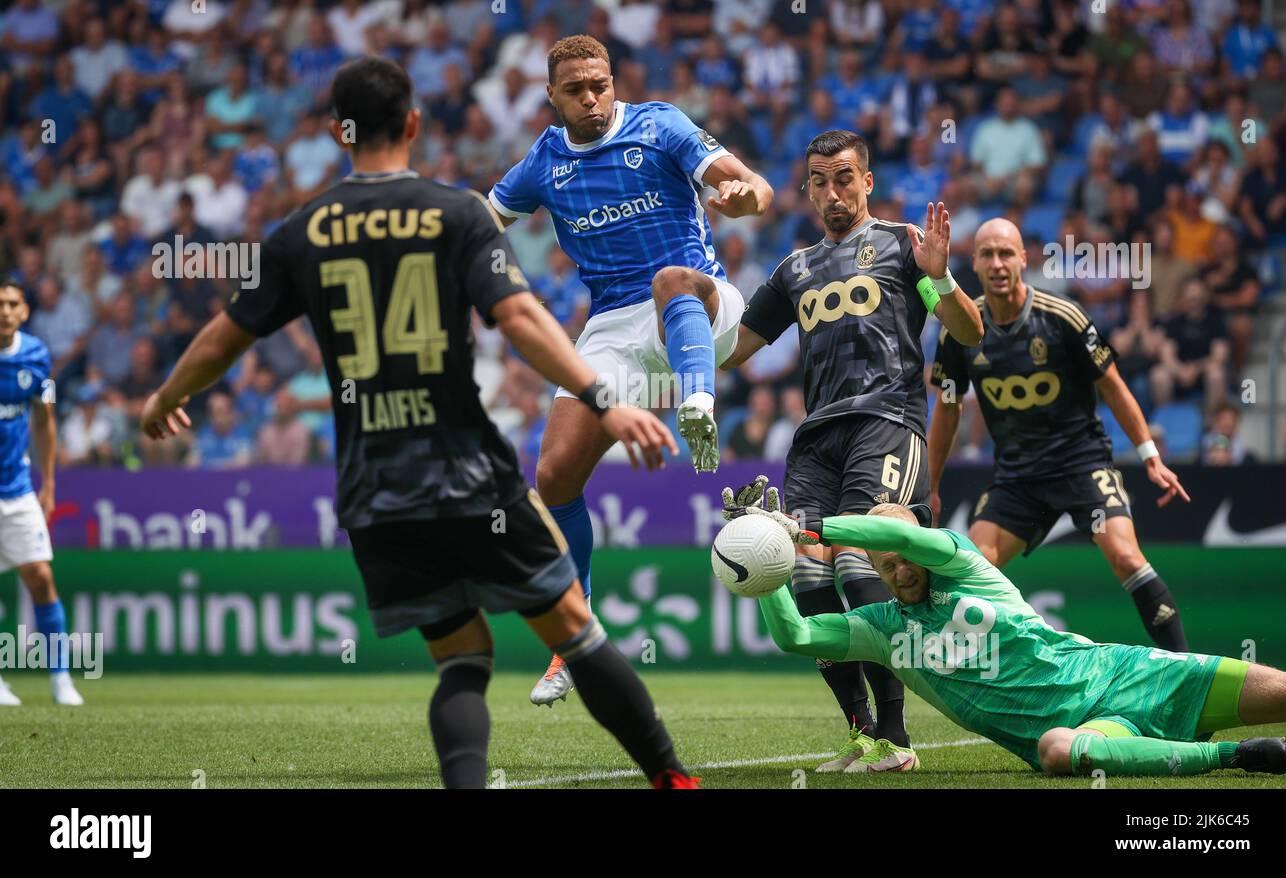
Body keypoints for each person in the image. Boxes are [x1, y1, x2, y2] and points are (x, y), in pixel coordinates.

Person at [141, 57, 696, 789]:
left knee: (462, 661)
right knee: (574, 631)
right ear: (411, 123)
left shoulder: (301, 232)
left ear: (340, 133)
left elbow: (226, 335)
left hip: (374, 490)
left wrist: (162, 396)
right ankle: (672, 778)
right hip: (466, 469)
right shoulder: (453, 212)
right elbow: (521, 317)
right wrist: (604, 398)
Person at [486, 34, 773, 705]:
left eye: (601, 84)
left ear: (613, 83)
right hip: (614, 324)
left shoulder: (661, 124)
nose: (591, 98)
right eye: (576, 90)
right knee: (553, 477)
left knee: (674, 277)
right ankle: (573, 634)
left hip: (698, 300)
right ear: (551, 97)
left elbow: (751, 184)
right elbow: (483, 219)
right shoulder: (544, 161)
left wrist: (743, 197)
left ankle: (697, 406)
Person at [719, 130, 983, 773]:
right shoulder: (794, 270)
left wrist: (940, 276)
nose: (832, 192)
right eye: (819, 181)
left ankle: (896, 738)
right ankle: (863, 729)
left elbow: (968, 329)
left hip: (887, 420)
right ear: (806, 188)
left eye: (844, 178)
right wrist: (669, 334)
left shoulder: (902, 247)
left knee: (855, 560)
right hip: (818, 435)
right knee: (802, 565)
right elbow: (733, 350)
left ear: (867, 181)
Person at [740, 498, 1286, 779]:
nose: (902, 570)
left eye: (909, 556)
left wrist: (812, 528)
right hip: (1087, 731)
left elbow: (895, 534)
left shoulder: (964, 564)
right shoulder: (883, 631)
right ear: (876, 570)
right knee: (1056, 750)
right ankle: (1232, 755)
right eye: (888, 566)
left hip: (1127, 674)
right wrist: (763, 563)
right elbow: (797, 635)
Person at [929, 218, 1192, 654]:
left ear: (1023, 259)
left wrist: (1149, 455)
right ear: (972, 262)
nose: (997, 263)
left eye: (1006, 253)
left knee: (1127, 557)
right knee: (971, 569)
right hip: (1017, 479)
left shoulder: (1061, 316)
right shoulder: (959, 330)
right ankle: (994, 681)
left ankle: (1189, 673)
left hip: (1081, 464)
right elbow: (949, 407)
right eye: (988, 254)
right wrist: (932, 486)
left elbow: (1113, 385)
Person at [0, 280, 84, 707]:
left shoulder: (37, 357)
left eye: (11, 303)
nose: (4, 311)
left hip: (17, 489)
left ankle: (60, 678)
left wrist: (49, 483)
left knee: (41, 577)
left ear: (25, 311)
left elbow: (45, 419)